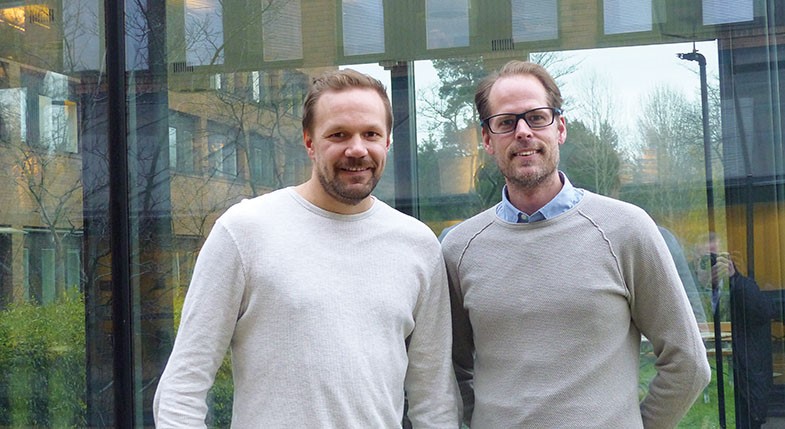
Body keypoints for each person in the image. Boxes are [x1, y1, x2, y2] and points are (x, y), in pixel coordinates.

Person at [154, 69, 460, 428]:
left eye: (371, 134)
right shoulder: (244, 231)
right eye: (338, 134)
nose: (357, 149)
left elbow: (435, 400)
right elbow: (182, 387)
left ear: (388, 141)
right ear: (309, 142)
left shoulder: (418, 245)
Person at [441, 60, 711, 428]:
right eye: (506, 122)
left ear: (560, 128)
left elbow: (688, 362)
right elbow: (451, 371)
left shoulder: (626, 230)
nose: (523, 132)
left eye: (537, 118)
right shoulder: (459, 249)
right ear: (487, 140)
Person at [694, 233, 775, 429]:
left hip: (741, 385)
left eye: (718, 257)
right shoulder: (688, 289)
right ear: (695, 262)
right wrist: (701, 283)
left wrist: (734, 277)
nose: (713, 264)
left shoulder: (741, 286)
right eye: (706, 259)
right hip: (703, 384)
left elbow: (763, 312)